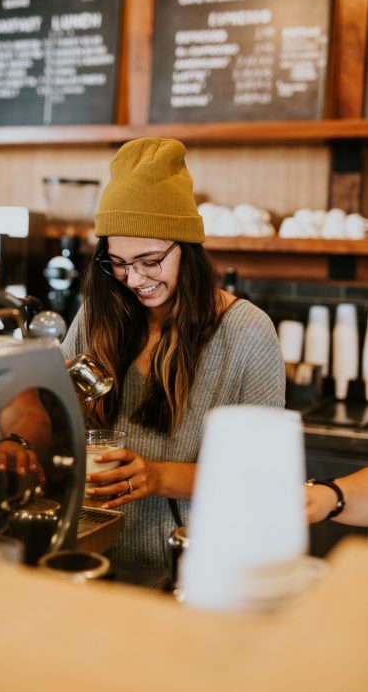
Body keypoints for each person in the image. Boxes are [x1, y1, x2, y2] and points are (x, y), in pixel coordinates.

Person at [60, 136, 286, 568]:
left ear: (188, 247)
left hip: (191, 565)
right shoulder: (98, 315)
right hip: (92, 553)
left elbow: (264, 475)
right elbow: (59, 409)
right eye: (119, 262)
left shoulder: (246, 331)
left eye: (150, 260)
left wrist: (158, 475)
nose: (133, 278)